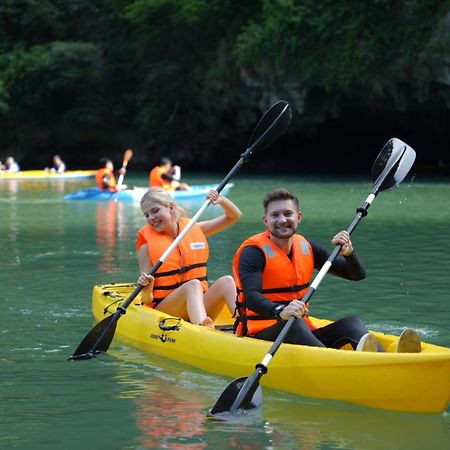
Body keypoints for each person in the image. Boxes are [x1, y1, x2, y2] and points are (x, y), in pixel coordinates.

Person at [233, 188, 421, 352]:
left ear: (298, 217)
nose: (282, 220)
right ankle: (341, 363)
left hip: (301, 330)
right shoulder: (253, 252)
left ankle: (382, 359)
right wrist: (280, 311)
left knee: (352, 323)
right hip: (259, 335)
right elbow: (251, 297)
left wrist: (349, 254)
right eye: (275, 215)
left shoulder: (306, 246)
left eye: (288, 214)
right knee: (293, 325)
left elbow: (356, 275)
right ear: (266, 220)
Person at [136, 188, 241, 327]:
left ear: (171, 208)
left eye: (155, 211)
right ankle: (202, 329)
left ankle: (246, 323)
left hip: (198, 304)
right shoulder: (146, 245)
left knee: (227, 281)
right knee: (193, 284)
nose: (151, 218)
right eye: (147, 215)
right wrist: (147, 289)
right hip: (165, 310)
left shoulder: (193, 228)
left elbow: (234, 216)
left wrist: (222, 201)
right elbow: (146, 298)